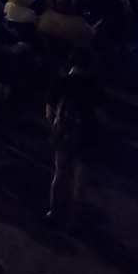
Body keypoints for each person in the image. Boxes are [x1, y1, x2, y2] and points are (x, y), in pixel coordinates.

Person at [45, 64, 101, 226]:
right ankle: (75, 222)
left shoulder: (60, 83)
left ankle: (54, 213)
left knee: (60, 174)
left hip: (64, 136)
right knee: (80, 181)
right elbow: (101, 117)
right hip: (86, 138)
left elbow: (49, 114)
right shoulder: (94, 88)